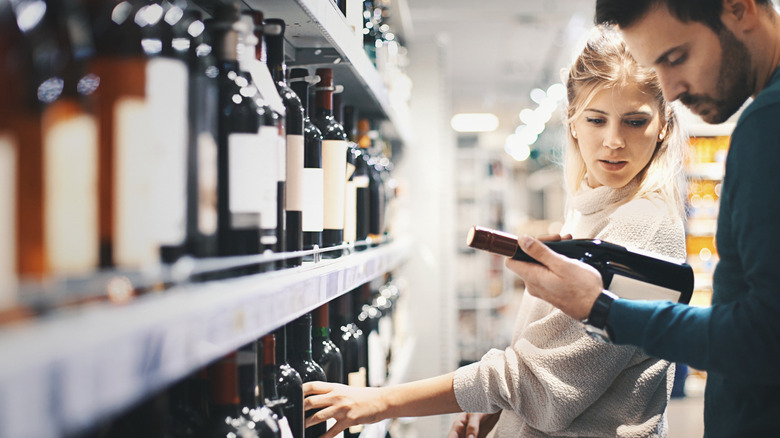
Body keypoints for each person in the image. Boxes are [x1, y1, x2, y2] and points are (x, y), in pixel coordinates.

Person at [302, 25, 689, 438]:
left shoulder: (640, 225)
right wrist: (497, 412)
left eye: (634, 121)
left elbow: (544, 387)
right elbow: (557, 363)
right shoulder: (593, 208)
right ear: (573, 121)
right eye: (597, 119)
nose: (613, 141)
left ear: (663, 125)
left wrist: (379, 402)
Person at [505, 0, 780, 436]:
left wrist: (605, 311)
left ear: (738, 9)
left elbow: (763, 334)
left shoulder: (768, 123)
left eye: (675, 58)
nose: (669, 92)